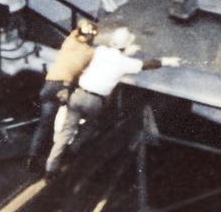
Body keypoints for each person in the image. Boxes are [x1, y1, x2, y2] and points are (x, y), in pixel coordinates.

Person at [45, 26, 179, 175]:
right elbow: (148, 65)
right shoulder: (124, 63)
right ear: (125, 46)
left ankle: (51, 168)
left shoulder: (101, 51)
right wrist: (167, 61)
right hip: (95, 101)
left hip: (78, 94)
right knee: (92, 124)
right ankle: (74, 149)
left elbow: (110, 53)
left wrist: (126, 50)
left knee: (65, 131)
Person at [25, 18, 98, 172]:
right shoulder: (90, 52)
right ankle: (64, 154)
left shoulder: (69, 41)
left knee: (44, 123)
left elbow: (78, 28)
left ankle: (32, 158)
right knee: (71, 119)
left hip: (49, 84)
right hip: (64, 87)